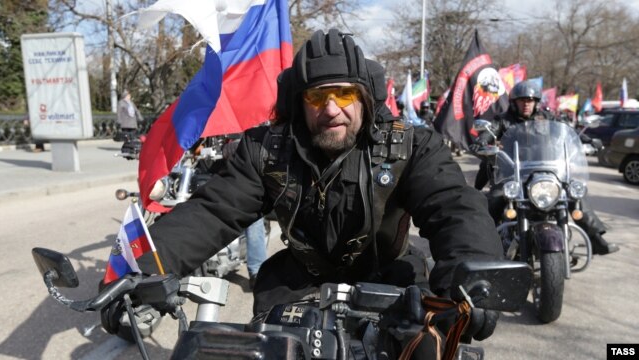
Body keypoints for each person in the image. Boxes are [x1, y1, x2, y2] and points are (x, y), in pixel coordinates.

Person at [135, 29, 503, 342]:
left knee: (428, 344)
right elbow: (213, 211)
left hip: (390, 276)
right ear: (300, 102)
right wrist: (145, 270)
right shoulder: (266, 150)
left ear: (364, 98)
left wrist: (474, 275)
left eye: (343, 94)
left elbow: (453, 205)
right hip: (296, 282)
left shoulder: (411, 145)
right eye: (317, 96)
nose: (330, 109)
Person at [470, 79, 619, 255]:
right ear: (514, 102)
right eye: (522, 100)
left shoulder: (547, 118)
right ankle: (482, 243)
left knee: (573, 193)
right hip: (514, 172)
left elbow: (566, 131)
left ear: (536, 102)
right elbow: (489, 133)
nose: (526, 104)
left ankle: (595, 239)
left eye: (530, 100)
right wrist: (481, 142)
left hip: (545, 170)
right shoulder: (502, 121)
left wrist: (586, 140)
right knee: (495, 197)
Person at [221, 139, 268, 289]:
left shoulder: (244, 128)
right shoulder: (202, 128)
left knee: (253, 217)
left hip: (239, 177)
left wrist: (237, 144)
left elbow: (255, 141)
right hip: (210, 178)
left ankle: (257, 271)